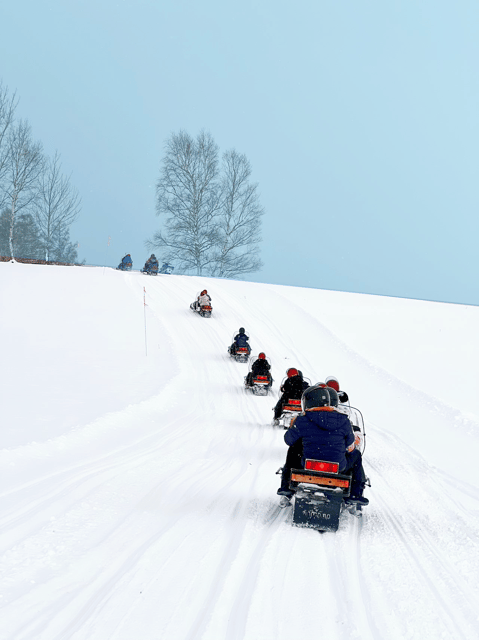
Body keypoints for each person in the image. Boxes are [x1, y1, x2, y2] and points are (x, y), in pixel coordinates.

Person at [277, 384, 368, 506]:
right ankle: (355, 494)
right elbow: (350, 443)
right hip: (338, 467)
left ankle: (286, 488)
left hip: (308, 464)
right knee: (356, 454)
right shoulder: (344, 420)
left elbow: (288, 440)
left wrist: (295, 426)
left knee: (293, 448)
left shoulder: (303, 419)